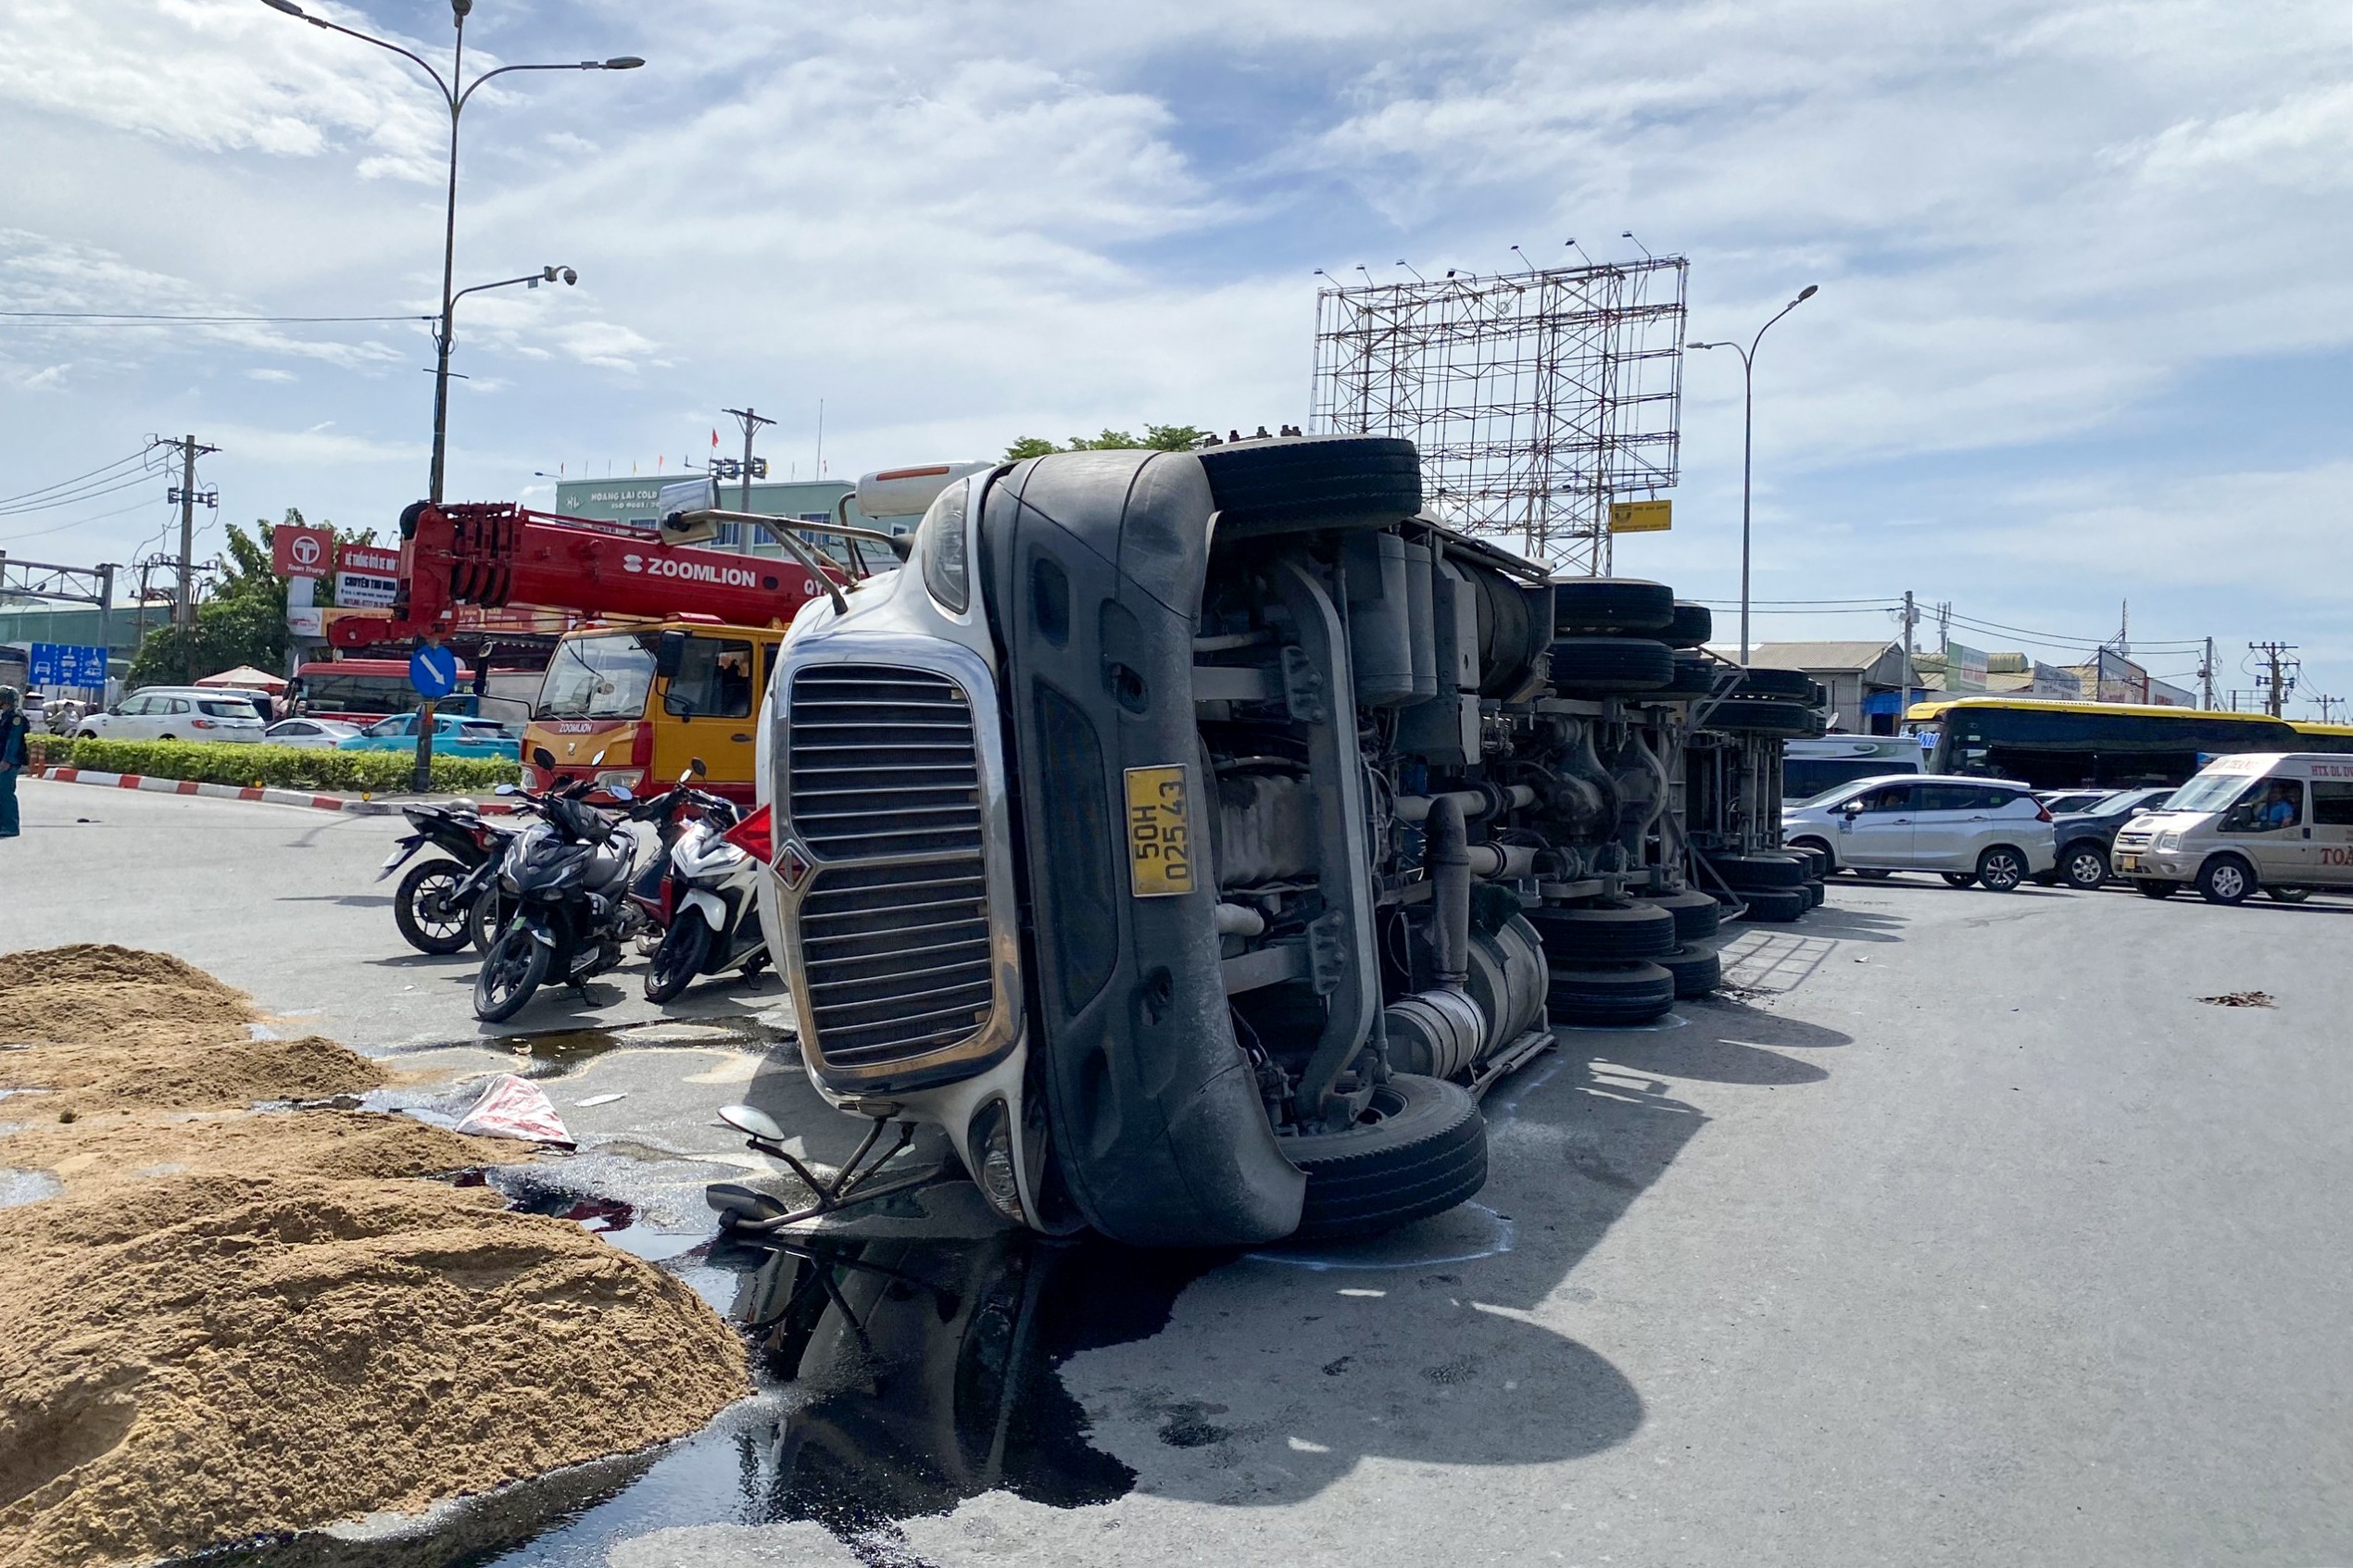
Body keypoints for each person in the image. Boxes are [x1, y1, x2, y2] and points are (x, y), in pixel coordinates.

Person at [0, 685, 29, 839]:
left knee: (5, 792)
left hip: (10, 761)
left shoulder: (16, 718)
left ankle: (11, 826)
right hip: (3, 759)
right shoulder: (5, 716)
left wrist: (7, 760)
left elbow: (14, 741)